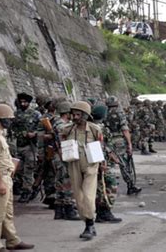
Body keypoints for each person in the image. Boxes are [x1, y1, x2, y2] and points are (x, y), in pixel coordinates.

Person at [0, 103, 35, 251]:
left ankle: (12, 240)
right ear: (0, 120)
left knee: (7, 213)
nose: (10, 122)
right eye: (8, 119)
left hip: (5, 177)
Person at [60, 101, 102, 240]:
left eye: (78, 114)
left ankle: (90, 224)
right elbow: (62, 140)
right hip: (74, 164)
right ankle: (87, 223)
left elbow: (101, 145)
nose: (75, 117)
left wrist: (103, 164)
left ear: (85, 115)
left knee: (88, 196)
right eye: (74, 114)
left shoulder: (95, 129)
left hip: (91, 164)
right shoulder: (68, 129)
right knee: (78, 196)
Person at [91, 104, 122, 223]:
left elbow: (104, 146)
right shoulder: (99, 128)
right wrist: (101, 162)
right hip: (100, 161)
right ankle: (105, 211)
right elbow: (98, 146)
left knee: (100, 187)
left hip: (97, 161)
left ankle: (101, 213)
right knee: (110, 185)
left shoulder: (91, 126)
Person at [104, 96, 142, 194]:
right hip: (119, 141)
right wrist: (129, 144)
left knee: (108, 165)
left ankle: (106, 188)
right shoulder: (119, 114)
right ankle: (130, 186)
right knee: (124, 164)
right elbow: (125, 129)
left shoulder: (104, 114)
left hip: (106, 141)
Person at [52, 101, 80, 220]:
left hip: (60, 155)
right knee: (67, 182)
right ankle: (69, 209)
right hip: (64, 155)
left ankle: (59, 210)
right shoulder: (62, 125)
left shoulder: (57, 123)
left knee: (60, 183)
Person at [11, 92, 41, 203]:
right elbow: (11, 129)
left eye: (25, 102)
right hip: (18, 145)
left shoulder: (36, 114)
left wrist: (35, 134)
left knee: (29, 169)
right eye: (21, 102)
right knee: (18, 169)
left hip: (30, 146)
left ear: (29, 103)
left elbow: (42, 129)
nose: (23, 104)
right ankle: (24, 187)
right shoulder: (15, 114)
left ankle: (26, 191)